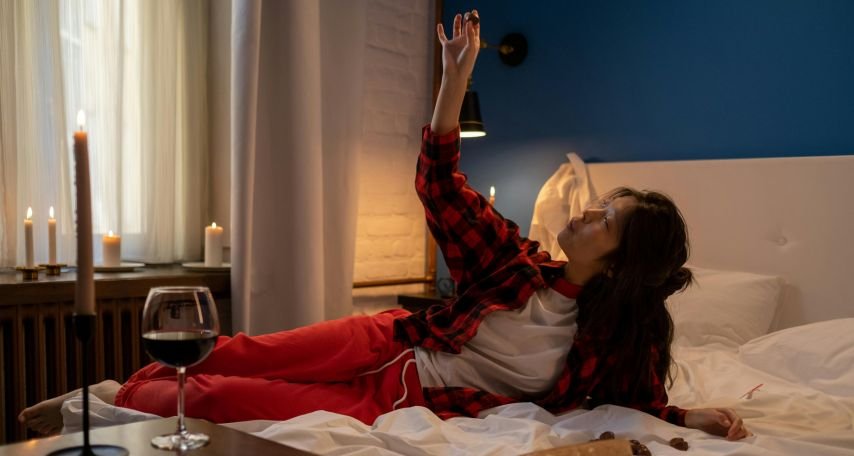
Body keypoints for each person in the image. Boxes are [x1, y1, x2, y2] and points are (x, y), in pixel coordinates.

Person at [20, 10, 749, 441]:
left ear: (620, 265)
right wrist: (453, 82)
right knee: (233, 351)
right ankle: (117, 393)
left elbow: (634, 407)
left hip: (401, 396)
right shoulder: (516, 266)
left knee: (222, 399)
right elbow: (438, 184)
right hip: (385, 340)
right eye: (600, 202)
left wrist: (692, 419)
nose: (585, 211)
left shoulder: (615, 343)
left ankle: (104, 402)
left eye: (606, 219)